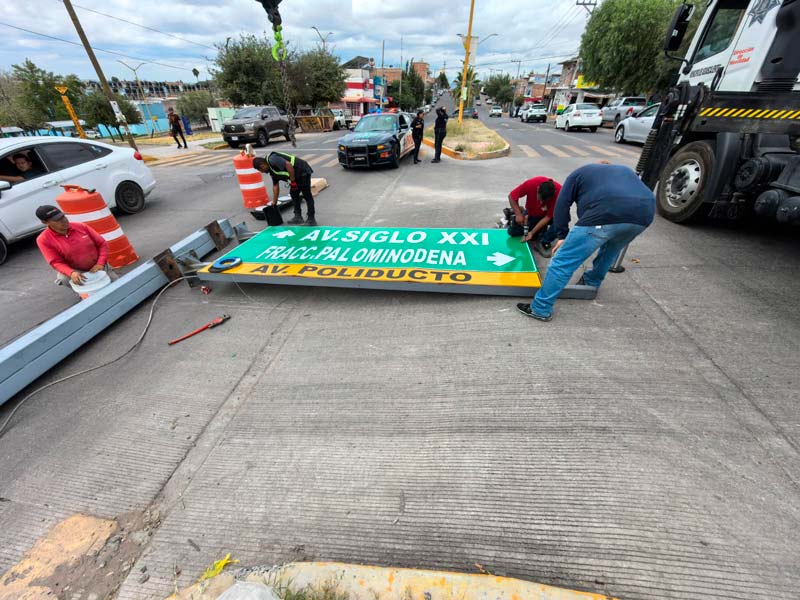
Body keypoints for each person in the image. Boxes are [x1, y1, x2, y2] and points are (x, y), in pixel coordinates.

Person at [516, 162, 656, 322]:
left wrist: (562, 235)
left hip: (605, 213)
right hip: (644, 215)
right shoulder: (623, 170)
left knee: (563, 261)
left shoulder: (579, 174)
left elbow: (561, 206)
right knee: (610, 250)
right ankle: (590, 283)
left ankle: (540, 308)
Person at [35, 205, 118, 289]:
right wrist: (71, 272)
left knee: (116, 287)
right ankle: (82, 291)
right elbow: (56, 262)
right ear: (45, 222)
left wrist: (100, 263)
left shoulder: (81, 226)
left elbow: (102, 244)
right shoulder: (43, 239)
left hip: (97, 265)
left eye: (63, 216)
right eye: (57, 220)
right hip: (76, 270)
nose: (64, 221)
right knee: (64, 279)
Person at [253, 151, 316, 225]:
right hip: (295, 176)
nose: (262, 172)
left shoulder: (272, 159)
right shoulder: (272, 171)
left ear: (262, 165)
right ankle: (298, 217)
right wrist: (274, 202)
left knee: (307, 195)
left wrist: (292, 182)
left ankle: (311, 219)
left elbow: (288, 165)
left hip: (302, 170)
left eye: (261, 170)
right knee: (294, 194)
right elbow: (275, 186)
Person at [505, 176, 561, 257]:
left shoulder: (559, 193)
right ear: (538, 189)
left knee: (561, 220)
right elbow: (511, 196)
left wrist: (532, 232)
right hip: (533, 214)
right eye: (540, 199)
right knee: (512, 231)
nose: (541, 202)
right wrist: (518, 214)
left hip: (550, 217)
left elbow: (548, 217)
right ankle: (521, 212)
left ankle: (544, 241)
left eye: (544, 201)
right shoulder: (531, 184)